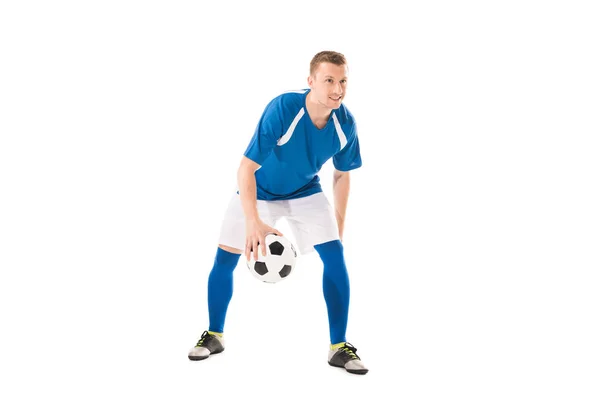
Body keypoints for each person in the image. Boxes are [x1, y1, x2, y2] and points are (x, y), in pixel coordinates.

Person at [188, 50, 368, 375]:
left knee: (335, 258)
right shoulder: (285, 107)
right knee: (225, 259)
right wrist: (254, 222)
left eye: (343, 81)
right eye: (329, 80)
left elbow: (342, 175)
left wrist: (339, 224)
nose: (337, 89)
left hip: (305, 192)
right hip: (259, 190)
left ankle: (338, 346)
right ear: (311, 81)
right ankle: (214, 334)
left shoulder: (345, 124)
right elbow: (245, 168)